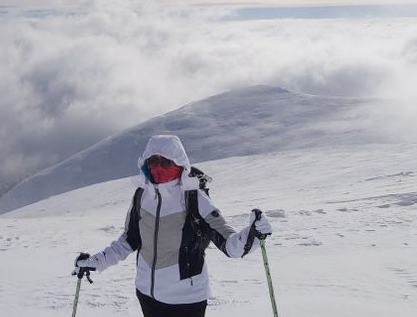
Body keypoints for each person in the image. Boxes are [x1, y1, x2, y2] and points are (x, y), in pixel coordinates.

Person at [72, 135, 273, 317]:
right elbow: (129, 240)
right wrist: (96, 262)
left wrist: (253, 235)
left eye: (166, 162)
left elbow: (229, 245)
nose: (158, 167)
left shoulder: (194, 198)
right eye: (153, 161)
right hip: (146, 294)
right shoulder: (142, 195)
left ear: (179, 163)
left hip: (185, 300)